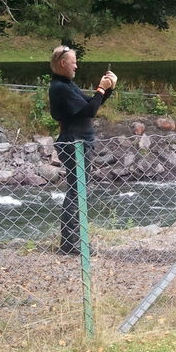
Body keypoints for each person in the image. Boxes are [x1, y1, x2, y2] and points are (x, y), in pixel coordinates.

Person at [48, 46, 117, 255]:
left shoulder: (67, 84)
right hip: (74, 143)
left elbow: (89, 104)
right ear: (63, 63)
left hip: (79, 142)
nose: (76, 65)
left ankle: (72, 241)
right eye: (74, 62)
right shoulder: (60, 87)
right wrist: (101, 88)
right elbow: (90, 110)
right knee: (76, 193)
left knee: (78, 192)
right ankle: (70, 244)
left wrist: (108, 88)